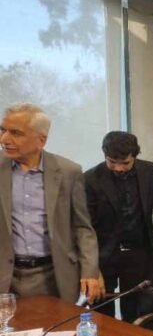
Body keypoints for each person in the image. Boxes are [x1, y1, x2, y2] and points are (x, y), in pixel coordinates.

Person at [0, 103, 103, 304]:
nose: (4, 139)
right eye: (3, 130)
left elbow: (83, 228)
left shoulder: (68, 172)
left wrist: (90, 271)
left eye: (16, 133)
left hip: (54, 276)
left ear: (41, 140)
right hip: (6, 276)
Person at [84, 131, 153, 322]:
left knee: (136, 310)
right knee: (101, 312)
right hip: (104, 255)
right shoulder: (90, 179)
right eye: (112, 162)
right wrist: (91, 269)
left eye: (125, 163)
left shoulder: (148, 171)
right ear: (104, 155)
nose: (119, 168)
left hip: (139, 252)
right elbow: (85, 227)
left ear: (135, 156)